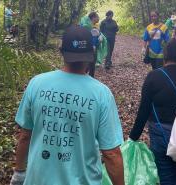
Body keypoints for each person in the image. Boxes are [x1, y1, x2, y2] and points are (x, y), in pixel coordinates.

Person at [10, 25, 125, 185]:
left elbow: (25, 135)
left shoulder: (37, 84)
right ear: (92, 53)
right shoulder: (101, 94)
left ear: (61, 51)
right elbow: (111, 153)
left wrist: (20, 171)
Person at [129, 38, 176, 185]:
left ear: (166, 54)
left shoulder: (154, 76)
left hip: (162, 134)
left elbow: (144, 109)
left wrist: (133, 137)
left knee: (164, 171)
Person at [80, 12, 100, 77]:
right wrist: (93, 45)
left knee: (89, 65)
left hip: (88, 47)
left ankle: (84, 77)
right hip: (90, 48)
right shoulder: (88, 26)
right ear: (93, 17)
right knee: (90, 65)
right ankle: (87, 79)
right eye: (97, 16)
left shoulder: (90, 25)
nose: (98, 18)